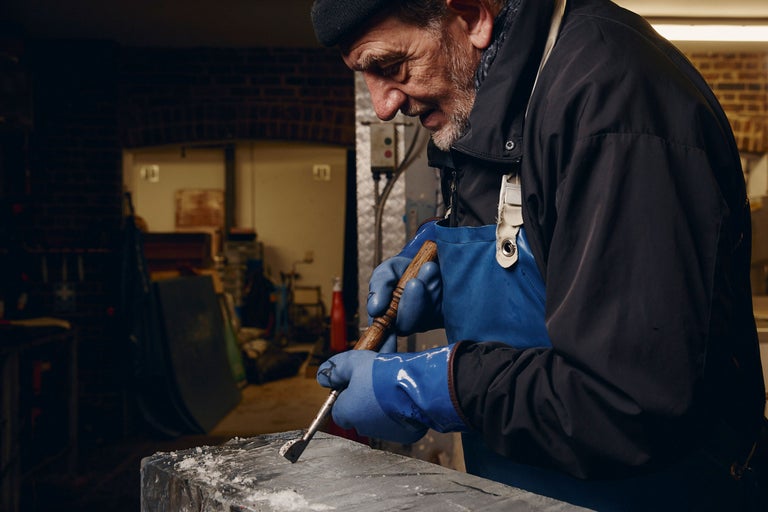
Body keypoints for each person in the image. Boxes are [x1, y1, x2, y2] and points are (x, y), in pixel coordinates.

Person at [309, 0, 768, 510]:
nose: (382, 106)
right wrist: (451, 271)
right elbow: (540, 243)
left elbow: (627, 402)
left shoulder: (611, 101)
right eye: (364, 76)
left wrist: (431, 386)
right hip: (533, 484)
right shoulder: (483, 94)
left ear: (472, 16)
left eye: (391, 68)